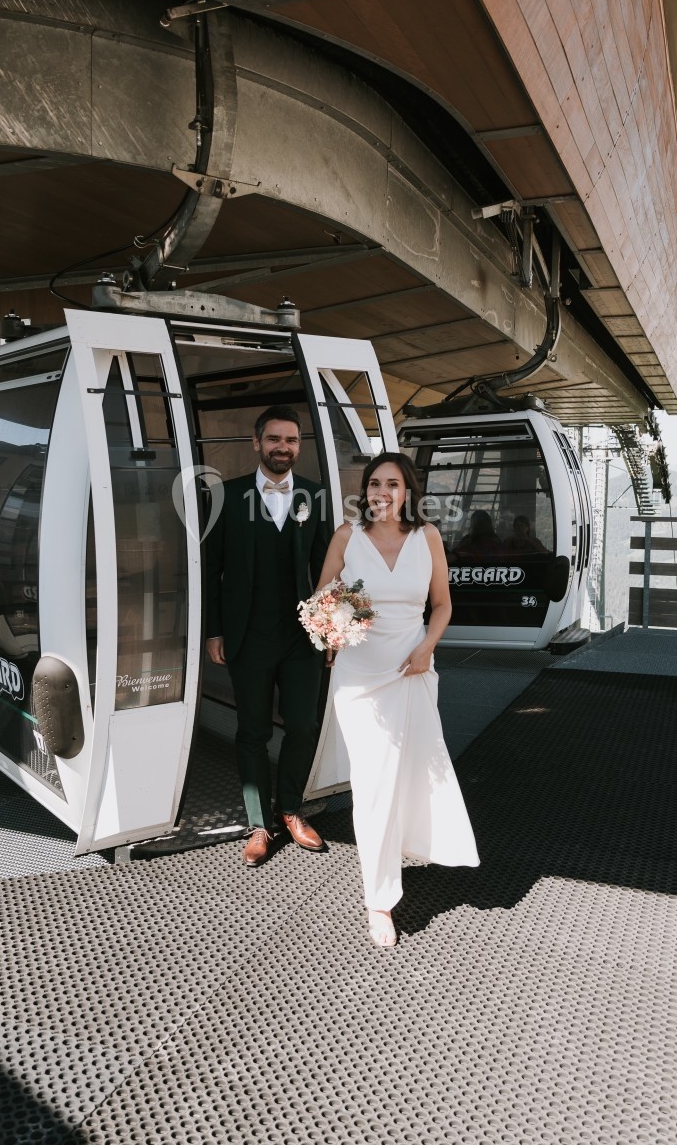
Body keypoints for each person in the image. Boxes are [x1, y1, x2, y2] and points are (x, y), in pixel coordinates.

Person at [317, 452, 479, 948]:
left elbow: (443, 604)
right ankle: (379, 901)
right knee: (374, 782)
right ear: (364, 491)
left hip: (412, 671)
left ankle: (407, 848)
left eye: (392, 484)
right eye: (374, 484)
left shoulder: (427, 538)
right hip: (360, 677)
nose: (382, 492)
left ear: (408, 490)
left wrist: (427, 648)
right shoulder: (347, 537)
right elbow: (322, 596)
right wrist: (334, 630)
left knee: (412, 772)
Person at [205, 405, 333, 868]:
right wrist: (214, 630)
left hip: (303, 639)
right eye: (275, 439)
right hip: (248, 636)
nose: (284, 447)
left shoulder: (316, 497)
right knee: (253, 731)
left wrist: (332, 628)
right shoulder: (227, 495)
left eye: (292, 440)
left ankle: (292, 809)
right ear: (256, 443)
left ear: (299, 446)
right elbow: (211, 570)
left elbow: (326, 570)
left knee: (303, 726)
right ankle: (260, 822)